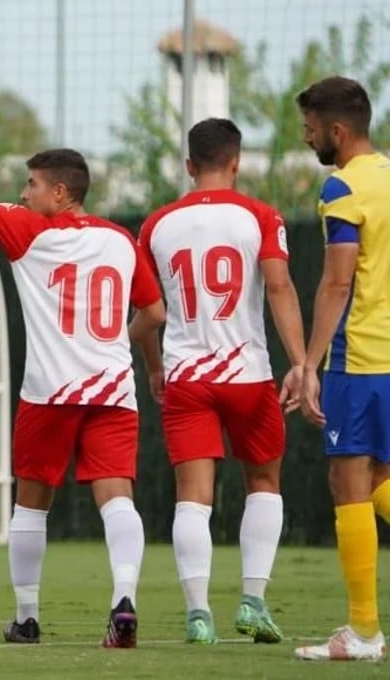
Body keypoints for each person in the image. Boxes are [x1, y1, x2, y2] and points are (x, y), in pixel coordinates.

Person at [0, 104, 164, 648]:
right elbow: (155, 314)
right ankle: (124, 602)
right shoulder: (122, 239)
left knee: (31, 503)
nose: (24, 195)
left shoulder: (29, 233)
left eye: (32, 184)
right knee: (118, 499)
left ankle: (26, 618)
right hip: (113, 390)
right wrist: (131, 345)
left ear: (61, 194)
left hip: (49, 393)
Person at [134, 117, 305, 644]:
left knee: (193, 497)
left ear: (188, 166)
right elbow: (278, 288)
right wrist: (300, 361)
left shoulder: (156, 224)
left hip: (186, 377)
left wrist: (154, 367)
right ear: (236, 162)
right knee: (264, 484)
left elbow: (150, 311)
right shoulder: (261, 216)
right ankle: (253, 601)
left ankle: (198, 614)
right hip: (248, 376)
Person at [292, 76, 390, 662]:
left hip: (361, 361)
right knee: (378, 477)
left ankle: (363, 633)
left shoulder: (343, 187)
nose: (306, 140)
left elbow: (337, 280)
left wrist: (308, 363)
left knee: (349, 483)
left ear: (336, 130)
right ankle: (363, 631)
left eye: (308, 130)